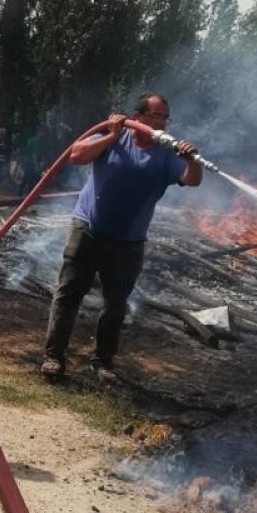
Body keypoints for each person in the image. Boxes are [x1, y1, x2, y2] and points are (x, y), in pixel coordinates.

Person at [40, 94, 203, 384]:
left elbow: (193, 180)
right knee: (68, 294)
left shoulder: (166, 154)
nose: (161, 122)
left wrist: (192, 160)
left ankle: (103, 361)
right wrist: (113, 135)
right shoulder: (114, 134)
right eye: (155, 116)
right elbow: (77, 155)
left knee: (116, 304)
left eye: (165, 117)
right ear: (138, 116)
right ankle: (53, 356)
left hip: (129, 242)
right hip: (88, 229)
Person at [19, 131, 41, 196]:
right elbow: (33, 154)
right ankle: (30, 195)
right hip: (30, 163)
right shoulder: (35, 142)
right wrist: (36, 166)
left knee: (26, 179)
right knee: (31, 179)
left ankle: (20, 193)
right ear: (38, 134)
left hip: (26, 162)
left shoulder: (30, 140)